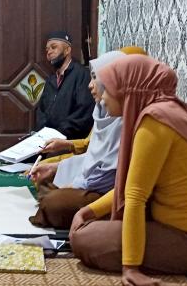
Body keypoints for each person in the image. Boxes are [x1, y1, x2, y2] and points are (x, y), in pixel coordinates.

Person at [69, 55, 187, 286]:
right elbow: (134, 187)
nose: (103, 97)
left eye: (107, 89)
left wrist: (131, 268)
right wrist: (88, 210)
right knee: (87, 224)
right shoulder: (163, 113)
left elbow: (136, 196)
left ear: (130, 89)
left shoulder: (156, 120)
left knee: (85, 239)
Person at [29, 50, 128, 228]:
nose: (90, 85)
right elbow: (93, 155)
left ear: (115, 80)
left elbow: (112, 171)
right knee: (45, 177)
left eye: (96, 78)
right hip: (91, 178)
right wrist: (57, 167)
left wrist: (75, 184)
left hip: (108, 191)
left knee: (53, 203)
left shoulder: (127, 117)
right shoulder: (103, 111)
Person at [38, 46, 147, 163]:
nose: (90, 85)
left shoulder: (143, 119)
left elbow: (109, 165)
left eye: (96, 77)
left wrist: (57, 168)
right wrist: (65, 145)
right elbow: (90, 147)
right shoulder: (102, 108)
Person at [35, 31, 95, 140]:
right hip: (46, 139)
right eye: (47, 49)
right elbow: (41, 110)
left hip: (68, 141)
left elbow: (83, 115)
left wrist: (57, 134)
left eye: (54, 47)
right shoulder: (51, 80)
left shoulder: (82, 75)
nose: (49, 52)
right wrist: (43, 132)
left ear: (67, 50)